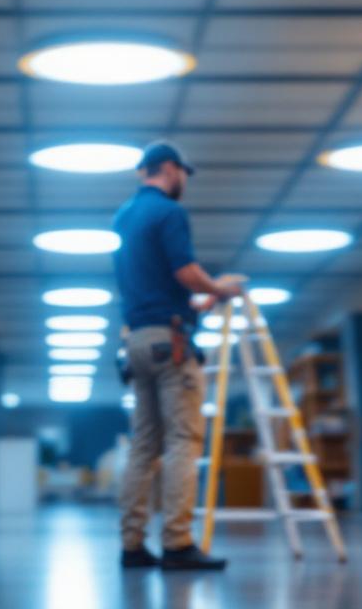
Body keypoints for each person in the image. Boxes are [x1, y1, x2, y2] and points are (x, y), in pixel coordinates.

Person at [112, 141, 242, 571]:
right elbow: (185, 273)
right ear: (170, 169)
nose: (184, 181)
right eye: (183, 173)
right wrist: (220, 289)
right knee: (183, 441)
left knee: (143, 446)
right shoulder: (169, 212)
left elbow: (157, 289)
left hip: (138, 342)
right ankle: (177, 543)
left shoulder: (125, 216)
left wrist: (199, 306)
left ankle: (131, 546)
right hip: (172, 346)